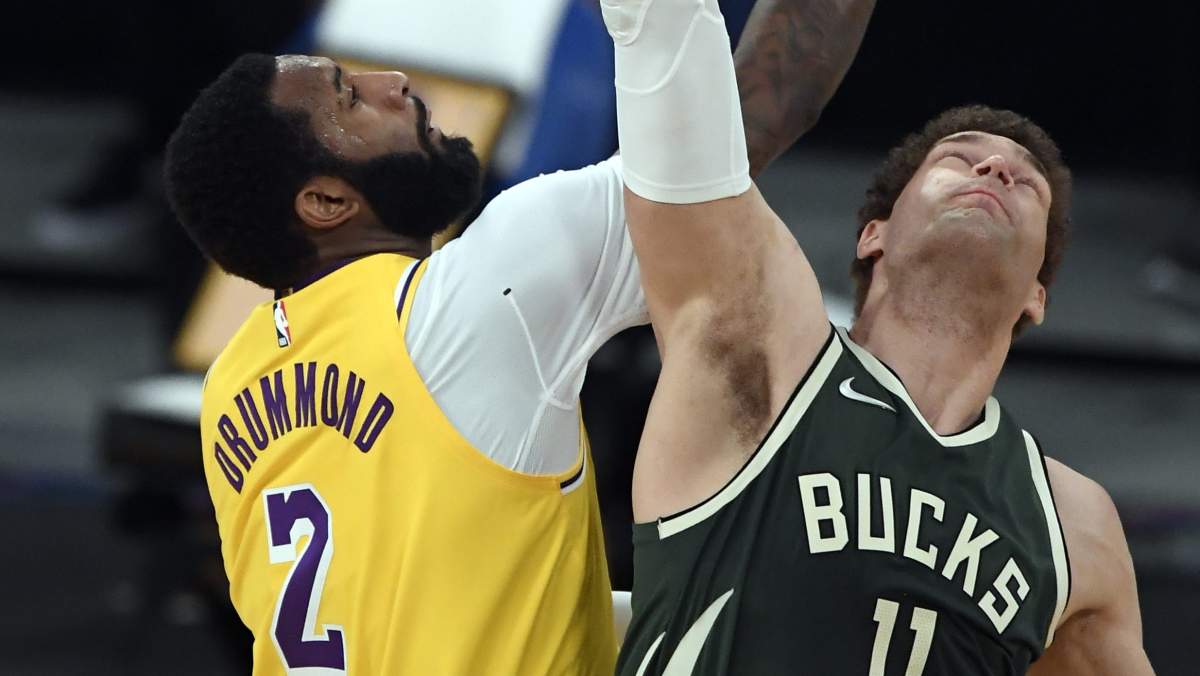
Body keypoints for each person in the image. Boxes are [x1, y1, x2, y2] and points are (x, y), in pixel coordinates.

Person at [161, 1, 873, 672]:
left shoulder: (230, 386)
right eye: (350, 99)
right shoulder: (479, 298)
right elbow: (746, 121)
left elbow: (403, 605)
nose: (393, 82)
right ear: (325, 202)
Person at [602, 1, 1154, 674]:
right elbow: (673, 70)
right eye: (959, 158)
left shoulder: (1073, 523)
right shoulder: (768, 350)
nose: (996, 170)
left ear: (1037, 295)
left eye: (1028, 184)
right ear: (874, 234)